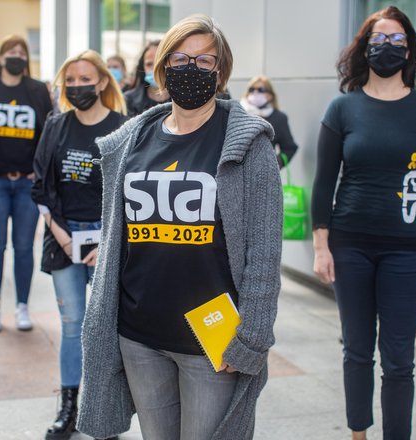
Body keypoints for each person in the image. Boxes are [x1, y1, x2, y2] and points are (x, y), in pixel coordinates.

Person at [77, 14, 283, 440]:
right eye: (180, 59)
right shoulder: (132, 139)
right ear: (162, 67)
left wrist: (252, 335)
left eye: (204, 62)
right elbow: (120, 233)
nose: (191, 69)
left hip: (213, 340)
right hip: (139, 333)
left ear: (220, 72)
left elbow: (265, 250)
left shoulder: (247, 142)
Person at [311, 6, 416, 440]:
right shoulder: (342, 109)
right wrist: (322, 246)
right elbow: (323, 183)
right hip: (350, 246)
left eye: (396, 41)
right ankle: (358, 435)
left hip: (408, 250)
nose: (387, 48)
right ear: (364, 47)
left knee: (399, 359)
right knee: (356, 351)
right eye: (379, 39)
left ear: (409, 50)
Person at [32, 50, 127, 440]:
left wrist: (106, 239)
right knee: (72, 325)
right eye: (70, 81)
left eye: (84, 80)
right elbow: (39, 186)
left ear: (102, 82)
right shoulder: (56, 126)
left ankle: (104, 410)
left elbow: (130, 192)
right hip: (64, 237)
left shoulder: (125, 128)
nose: (77, 87)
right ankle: (69, 407)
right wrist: (59, 230)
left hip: (109, 238)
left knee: (106, 328)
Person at [0, 35, 52, 333]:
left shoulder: (37, 91)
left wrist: (37, 172)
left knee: (23, 247)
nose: (16, 55)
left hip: (26, 186)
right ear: (1, 57)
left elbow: (47, 135)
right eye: (11, 50)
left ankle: (22, 307)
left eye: (21, 51)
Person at [240, 75, 298, 168]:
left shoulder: (279, 118)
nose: (255, 92)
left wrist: (274, 164)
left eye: (261, 90)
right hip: (237, 173)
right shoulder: (238, 113)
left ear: (270, 95)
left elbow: (290, 148)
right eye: (252, 89)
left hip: (264, 175)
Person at [123, 40, 170, 116]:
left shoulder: (182, 99)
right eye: (149, 64)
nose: (155, 69)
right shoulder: (128, 100)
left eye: (159, 62)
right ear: (143, 67)